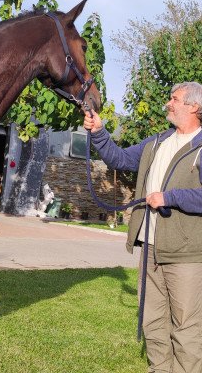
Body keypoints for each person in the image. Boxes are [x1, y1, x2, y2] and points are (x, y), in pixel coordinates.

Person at [84, 82, 202, 373]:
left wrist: (170, 197)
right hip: (150, 246)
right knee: (153, 319)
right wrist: (99, 132)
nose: (168, 104)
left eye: (174, 100)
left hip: (186, 252)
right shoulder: (157, 141)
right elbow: (120, 158)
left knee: (186, 325)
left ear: (194, 107)